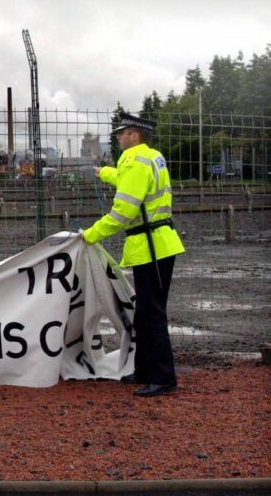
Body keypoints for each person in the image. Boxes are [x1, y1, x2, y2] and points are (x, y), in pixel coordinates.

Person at [82, 113, 185, 397]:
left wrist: (91, 234)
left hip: (150, 247)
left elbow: (124, 212)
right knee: (145, 312)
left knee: (152, 314)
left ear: (134, 136)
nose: (117, 138)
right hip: (161, 243)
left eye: (121, 133)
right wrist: (103, 172)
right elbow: (129, 181)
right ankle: (145, 369)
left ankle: (163, 378)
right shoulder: (151, 158)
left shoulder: (133, 161)